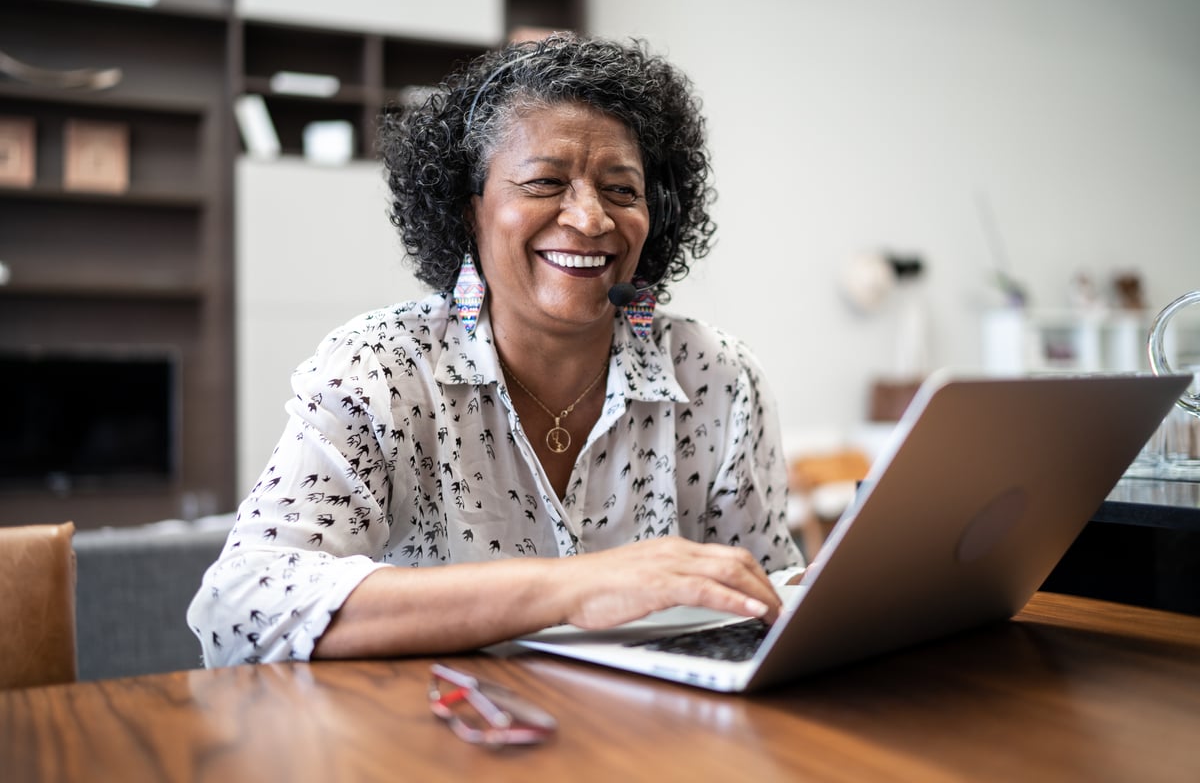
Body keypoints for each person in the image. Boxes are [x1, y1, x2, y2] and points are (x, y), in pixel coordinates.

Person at [188, 34, 805, 667]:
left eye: (622, 190)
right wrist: (572, 587)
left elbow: (769, 598)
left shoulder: (718, 378)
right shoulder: (379, 369)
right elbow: (240, 610)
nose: (591, 219)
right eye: (545, 182)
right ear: (467, 211)